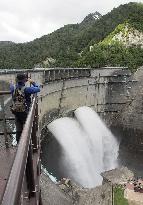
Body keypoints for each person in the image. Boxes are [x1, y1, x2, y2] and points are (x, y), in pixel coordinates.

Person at [10, 73, 40, 143]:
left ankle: (18, 143)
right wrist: (33, 83)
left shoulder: (12, 88)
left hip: (15, 110)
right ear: (25, 80)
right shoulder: (26, 89)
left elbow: (12, 85)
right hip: (24, 111)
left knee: (18, 128)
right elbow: (38, 89)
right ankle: (28, 145)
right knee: (27, 127)